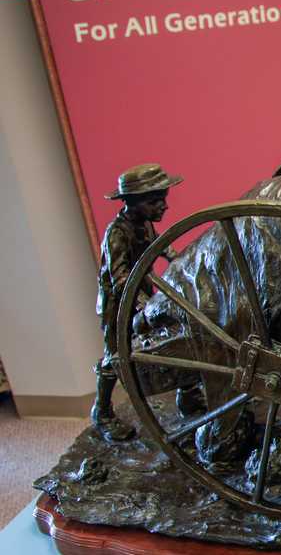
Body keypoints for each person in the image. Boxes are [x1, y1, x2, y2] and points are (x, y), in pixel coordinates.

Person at [94, 163, 185, 442]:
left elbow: (161, 247)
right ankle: (102, 412)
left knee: (174, 338)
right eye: (155, 201)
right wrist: (146, 305)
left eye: (164, 199)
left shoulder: (144, 223)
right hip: (117, 304)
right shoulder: (117, 233)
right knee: (115, 358)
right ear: (132, 203)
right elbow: (120, 276)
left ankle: (189, 397)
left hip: (144, 292)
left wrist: (181, 261)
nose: (164, 207)